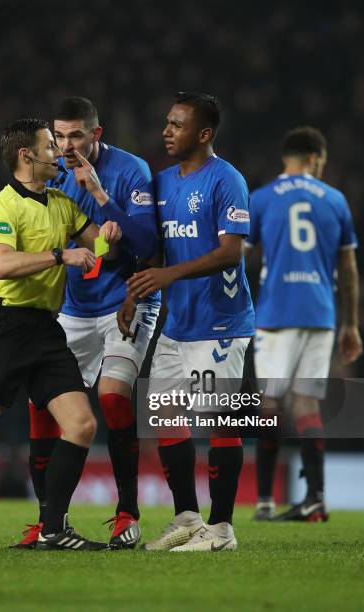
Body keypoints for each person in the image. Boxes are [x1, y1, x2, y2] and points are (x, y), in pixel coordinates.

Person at [0, 118, 122, 553]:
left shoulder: (62, 202)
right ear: (26, 156)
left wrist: (106, 228)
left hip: (46, 330)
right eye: (50, 145)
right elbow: (3, 265)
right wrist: (58, 255)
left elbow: (100, 250)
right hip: (6, 327)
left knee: (82, 424)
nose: (59, 152)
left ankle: (53, 528)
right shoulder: (3, 206)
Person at [0, 98, 160, 548]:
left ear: (97, 134)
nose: (66, 147)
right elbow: (30, 235)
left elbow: (147, 246)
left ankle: (127, 512)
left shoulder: (130, 171)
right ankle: (49, 521)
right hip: (71, 309)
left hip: (123, 303)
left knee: (113, 400)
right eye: (59, 137)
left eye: (76, 136)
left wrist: (99, 194)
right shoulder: (50, 177)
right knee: (43, 411)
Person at [121, 92, 255, 552]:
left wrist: (166, 275)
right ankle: (188, 520)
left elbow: (231, 251)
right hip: (177, 323)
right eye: (166, 122)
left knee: (219, 420)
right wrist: (135, 291)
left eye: (177, 125)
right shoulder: (161, 182)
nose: (166, 131)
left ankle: (222, 530)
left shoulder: (226, 180)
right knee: (165, 417)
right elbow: (156, 248)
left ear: (204, 134)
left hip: (220, 322)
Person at [247, 126, 362, 521]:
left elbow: (239, 257)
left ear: (288, 158)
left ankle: (263, 499)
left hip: (277, 313)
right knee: (308, 404)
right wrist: (351, 324)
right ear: (314, 159)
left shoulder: (261, 199)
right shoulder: (335, 200)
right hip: (321, 313)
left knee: (270, 402)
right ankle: (316, 497)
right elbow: (347, 266)